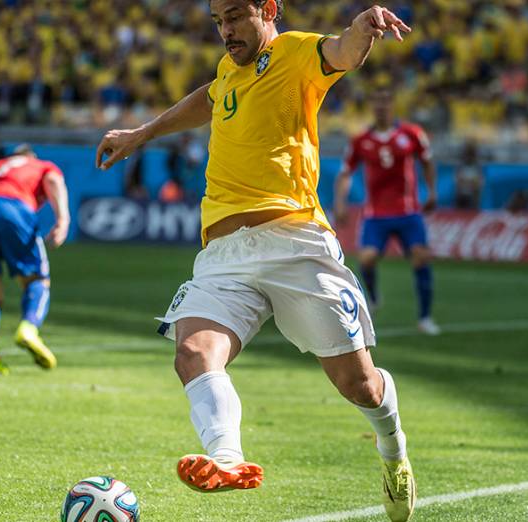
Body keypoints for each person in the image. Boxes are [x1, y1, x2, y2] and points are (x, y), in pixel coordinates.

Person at [96, 2, 416, 520]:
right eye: (219, 21)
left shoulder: (293, 54)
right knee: (194, 352)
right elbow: (211, 97)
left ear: (268, 10)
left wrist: (361, 29)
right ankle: (227, 459)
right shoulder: (229, 70)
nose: (226, 31)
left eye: (236, 17)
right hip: (223, 255)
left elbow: (339, 53)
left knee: (358, 385)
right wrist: (143, 133)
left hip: (295, 241)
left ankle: (393, 448)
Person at [334, 89, 440, 335]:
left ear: (393, 104)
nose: (382, 106)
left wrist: (432, 192)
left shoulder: (412, 134)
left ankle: (425, 318)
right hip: (376, 214)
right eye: (377, 101)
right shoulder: (360, 141)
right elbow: (345, 173)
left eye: (386, 101)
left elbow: (427, 162)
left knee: (420, 257)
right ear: (372, 106)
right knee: (367, 258)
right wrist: (340, 202)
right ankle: (373, 298)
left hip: (408, 211)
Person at [0, 144, 69, 374]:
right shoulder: (40, 165)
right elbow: (54, 181)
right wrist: (63, 220)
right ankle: (28, 329)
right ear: (29, 157)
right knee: (37, 280)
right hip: (10, 206)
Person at [454, 139, 483, 209]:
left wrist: (471, 184)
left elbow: (478, 183)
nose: (469, 156)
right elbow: (458, 181)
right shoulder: (460, 166)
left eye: (471, 154)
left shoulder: (477, 167)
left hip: (473, 198)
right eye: (468, 153)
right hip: (462, 198)